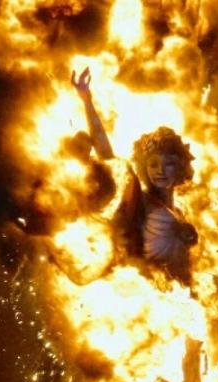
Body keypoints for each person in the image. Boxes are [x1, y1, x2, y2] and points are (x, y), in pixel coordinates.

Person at [71, 68, 199, 283]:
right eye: (153, 164)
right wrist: (87, 101)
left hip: (174, 293)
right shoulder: (137, 196)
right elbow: (106, 154)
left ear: (180, 168)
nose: (159, 170)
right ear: (143, 166)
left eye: (168, 164)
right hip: (135, 289)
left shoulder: (179, 211)